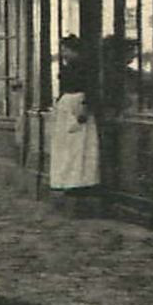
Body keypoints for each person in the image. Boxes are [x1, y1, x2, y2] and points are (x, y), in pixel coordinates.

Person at [48, 35, 100, 191]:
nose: (63, 53)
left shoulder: (84, 67)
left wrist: (84, 107)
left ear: (75, 50)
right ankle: (66, 180)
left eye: (66, 50)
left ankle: (80, 180)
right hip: (66, 107)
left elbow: (90, 88)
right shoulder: (68, 67)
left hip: (78, 104)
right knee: (67, 146)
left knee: (80, 145)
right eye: (62, 50)